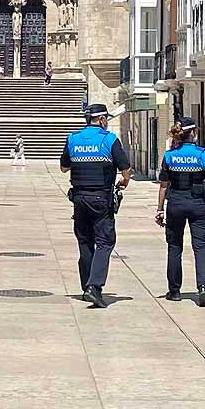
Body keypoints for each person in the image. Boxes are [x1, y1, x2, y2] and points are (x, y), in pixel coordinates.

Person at [60, 103, 131, 309]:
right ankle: (94, 286)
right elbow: (125, 169)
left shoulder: (72, 139)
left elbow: (64, 167)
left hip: (79, 199)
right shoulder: (108, 139)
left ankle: (86, 287)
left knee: (84, 242)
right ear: (101, 120)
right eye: (106, 119)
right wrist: (124, 181)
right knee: (105, 242)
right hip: (101, 198)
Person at [155, 117, 205, 307]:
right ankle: (203, 288)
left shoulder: (169, 156)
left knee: (174, 247)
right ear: (193, 133)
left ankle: (174, 291)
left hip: (175, 204)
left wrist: (160, 210)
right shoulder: (203, 155)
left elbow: (163, 186)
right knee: (200, 247)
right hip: (199, 204)